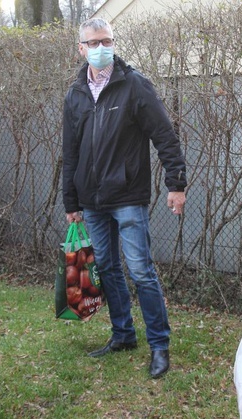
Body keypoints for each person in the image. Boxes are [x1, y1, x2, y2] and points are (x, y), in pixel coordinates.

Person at [62, 18, 187, 379]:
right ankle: (123, 335)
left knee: (140, 270)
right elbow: (70, 152)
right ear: (81, 49)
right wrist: (71, 202)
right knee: (108, 268)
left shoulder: (134, 86)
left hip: (128, 196)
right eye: (94, 42)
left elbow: (165, 136)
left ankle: (159, 344)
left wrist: (175, 183)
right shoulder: (75, 95)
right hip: (91, 201)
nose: (102, 47)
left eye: (107, 40)